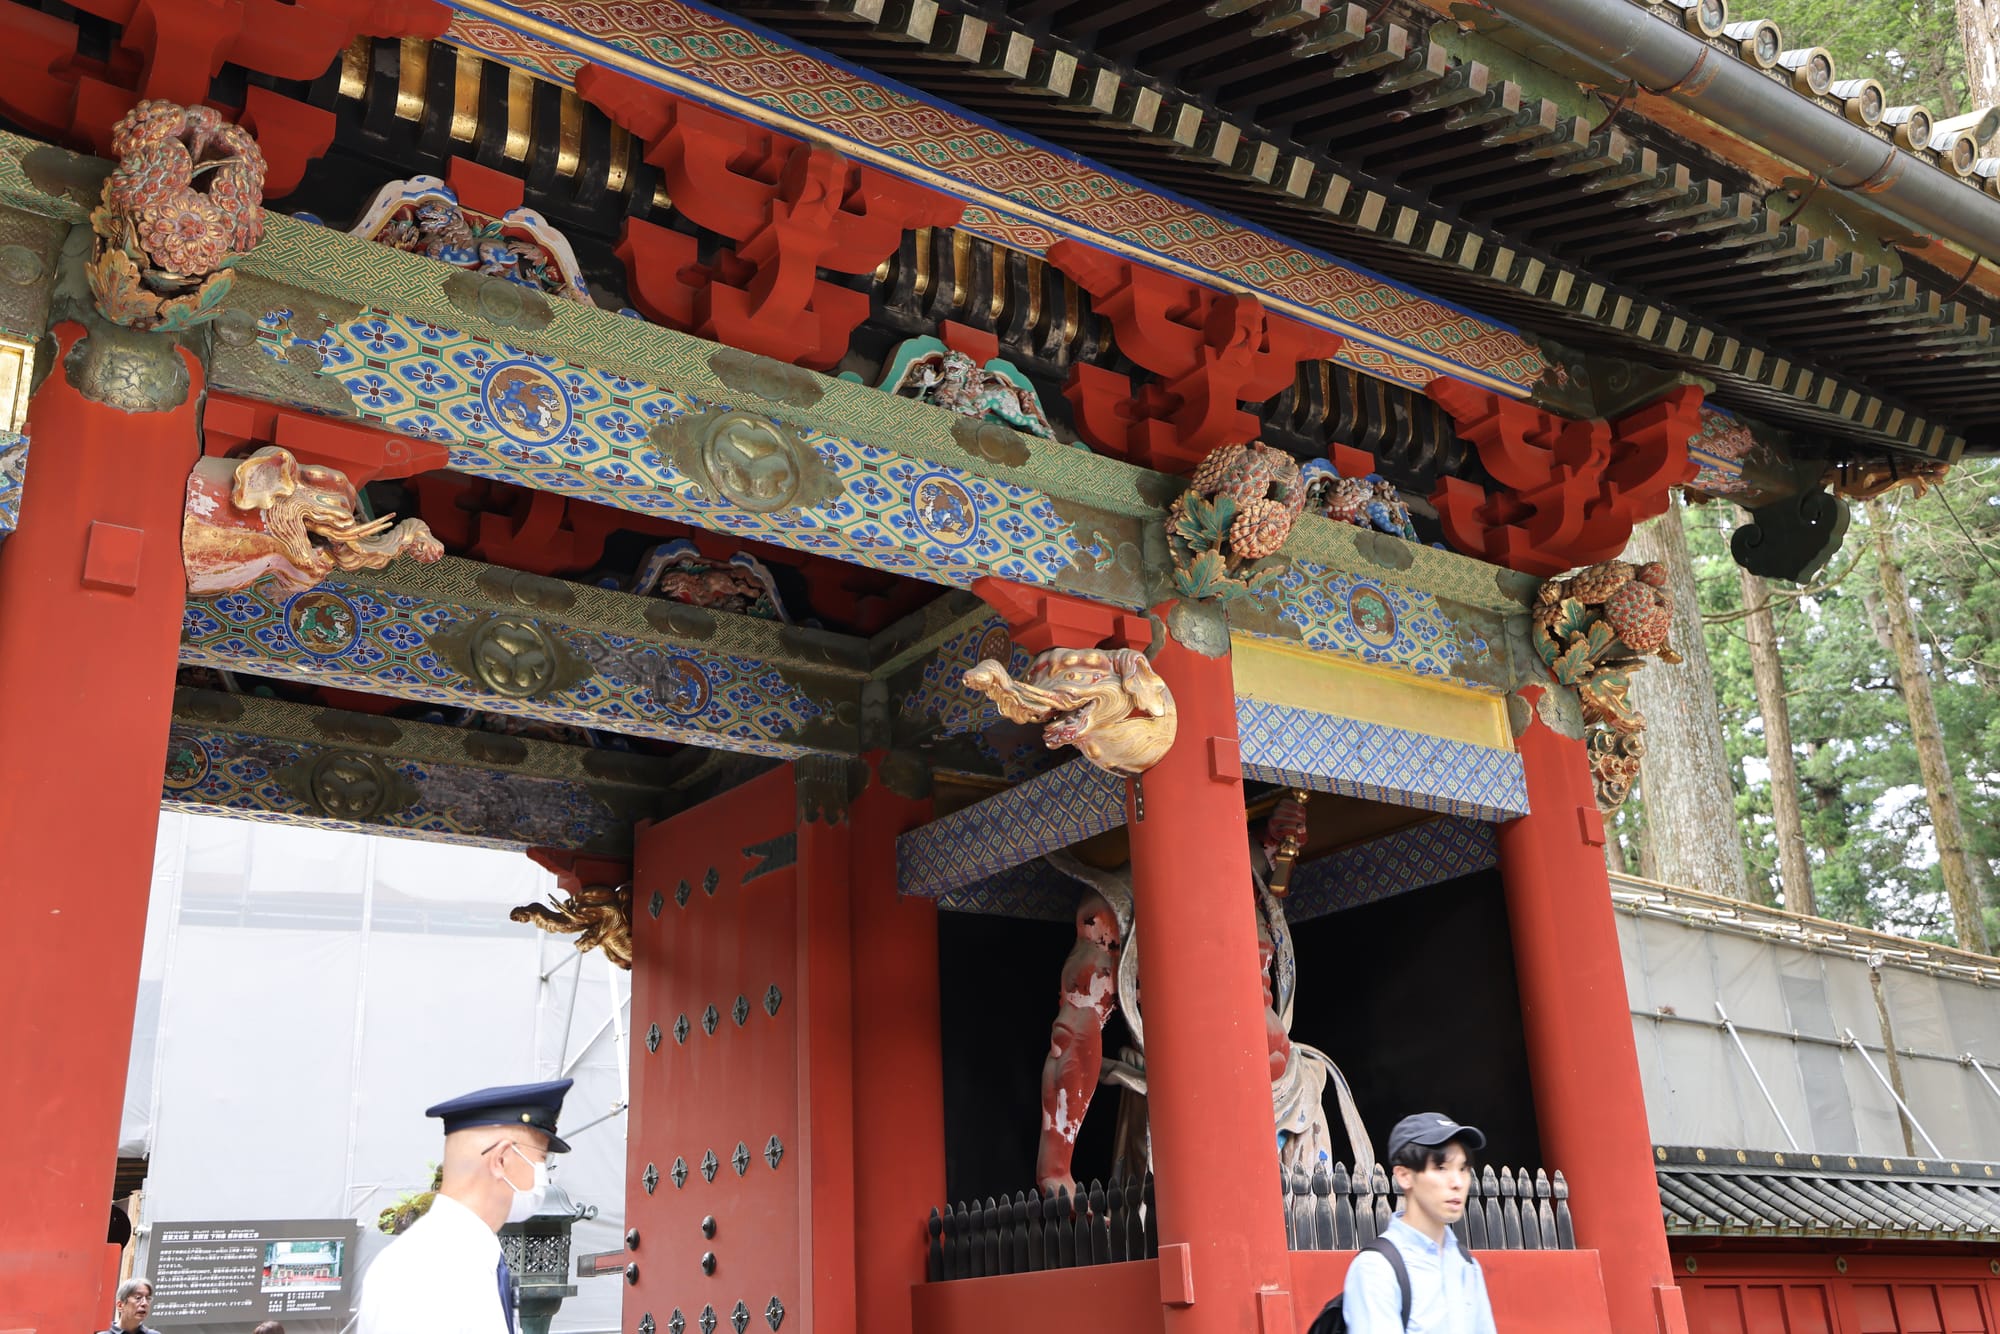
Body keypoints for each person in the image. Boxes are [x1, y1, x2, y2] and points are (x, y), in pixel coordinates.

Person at [355, 1079, 573, 1334]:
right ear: (501, 1160)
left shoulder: (471, 1254)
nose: (543, 1175)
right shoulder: (426, 1270)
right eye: (541, 1158)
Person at [1339, 1112, 1498, 1334]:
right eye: (1441, 1168)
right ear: (1404, 1176)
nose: (1458, 1182)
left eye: (1463, 1169)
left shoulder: (1466, 1264)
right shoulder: (1377, 1269)